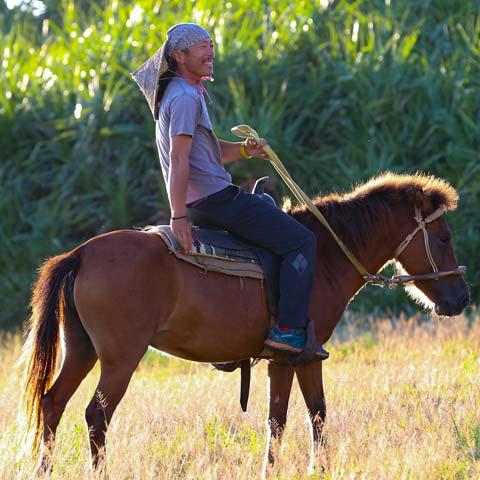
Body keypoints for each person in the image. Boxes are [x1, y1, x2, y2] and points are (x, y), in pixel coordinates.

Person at [132, 23, 328, 360]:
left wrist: (245, 151)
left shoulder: (188, 92)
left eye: (211, 45)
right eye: (201, 47)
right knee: (301, 241)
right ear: (180, 56)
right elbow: (178, 159)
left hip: (207, 199)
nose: (210, 53)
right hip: (213, 200)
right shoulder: (182, 97)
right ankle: (289, 331)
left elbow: (206, 153)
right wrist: (177, 216)